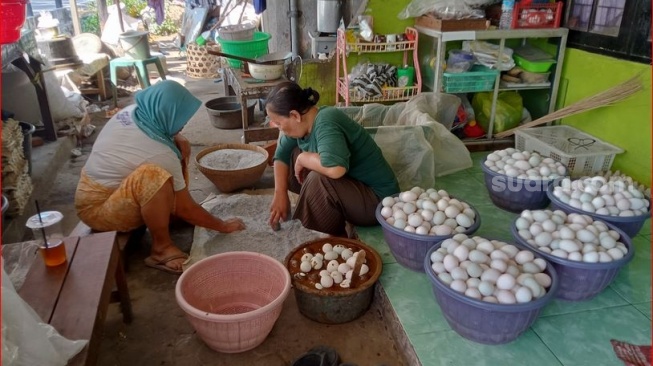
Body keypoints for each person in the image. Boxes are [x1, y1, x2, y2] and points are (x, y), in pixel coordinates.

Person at [75, 80, 245, 274]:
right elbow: (186, 207)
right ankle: (161, 248)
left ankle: (167, 214)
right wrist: (222, 226)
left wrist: (177, 137)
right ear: (166, 114)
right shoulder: (158, 153)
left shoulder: (133, 112)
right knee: (154, 176)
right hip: (99, 210)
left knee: (180, 143)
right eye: (180, 119)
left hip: (105, 190)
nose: (183, 124)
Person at [266, 81, 400, 237]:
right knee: (291, 156)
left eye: (279, 123)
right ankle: (321, 212)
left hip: (379, 202)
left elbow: (336, 169)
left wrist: (304, 158)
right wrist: (280, 192)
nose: (279, 128)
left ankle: (332, 237)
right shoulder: (303, 124)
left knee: (318, 180)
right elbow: (281, 155)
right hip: (353, 189)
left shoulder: (326, 120)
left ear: (295, 115)